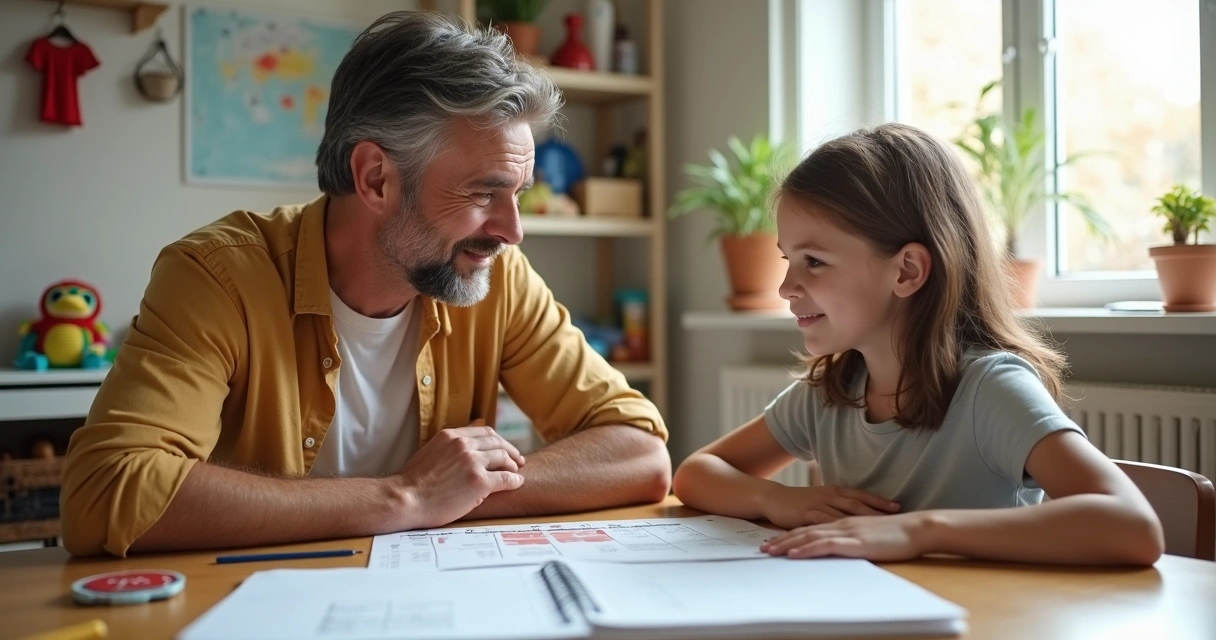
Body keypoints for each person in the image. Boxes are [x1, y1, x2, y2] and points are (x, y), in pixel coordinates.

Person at [61, 11, 670, 558]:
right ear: (376, 178)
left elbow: (639, 451)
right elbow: (108, 490)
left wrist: (457, 494)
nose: (512, 232)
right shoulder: (218, 276)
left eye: (519, 195)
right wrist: (402, 497)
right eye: (484, 192)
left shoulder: (497, 277)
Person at [672, 124, 1163, 566]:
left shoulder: (990, 390)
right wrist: (776, 500)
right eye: (787, 259)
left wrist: (919, 530)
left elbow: (1133, 526)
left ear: (906, 270)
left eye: (814, 261)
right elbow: (696, 474)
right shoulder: (830, 392)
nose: (785, 287)